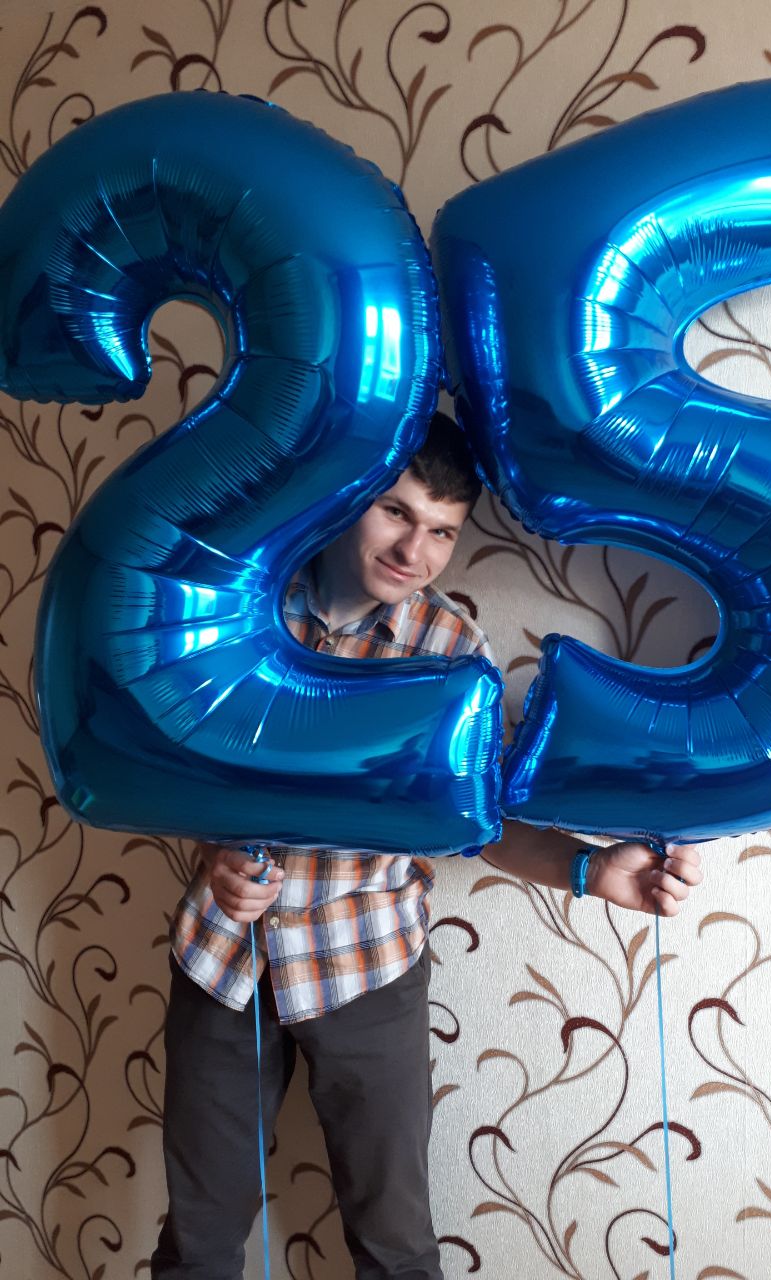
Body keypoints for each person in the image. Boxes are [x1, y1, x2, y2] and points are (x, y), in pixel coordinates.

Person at [151, 412, 704, 1280]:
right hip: (222, 962)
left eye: (443, 531)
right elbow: (174, 760)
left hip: (366, 965)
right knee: (198, 1247)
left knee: (395, 1246)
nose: (415, 550)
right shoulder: (240, 606)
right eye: (397, 513)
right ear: (351, 494)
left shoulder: (451, 651)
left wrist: (594, 868)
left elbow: (479, 824)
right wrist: (209, 855)